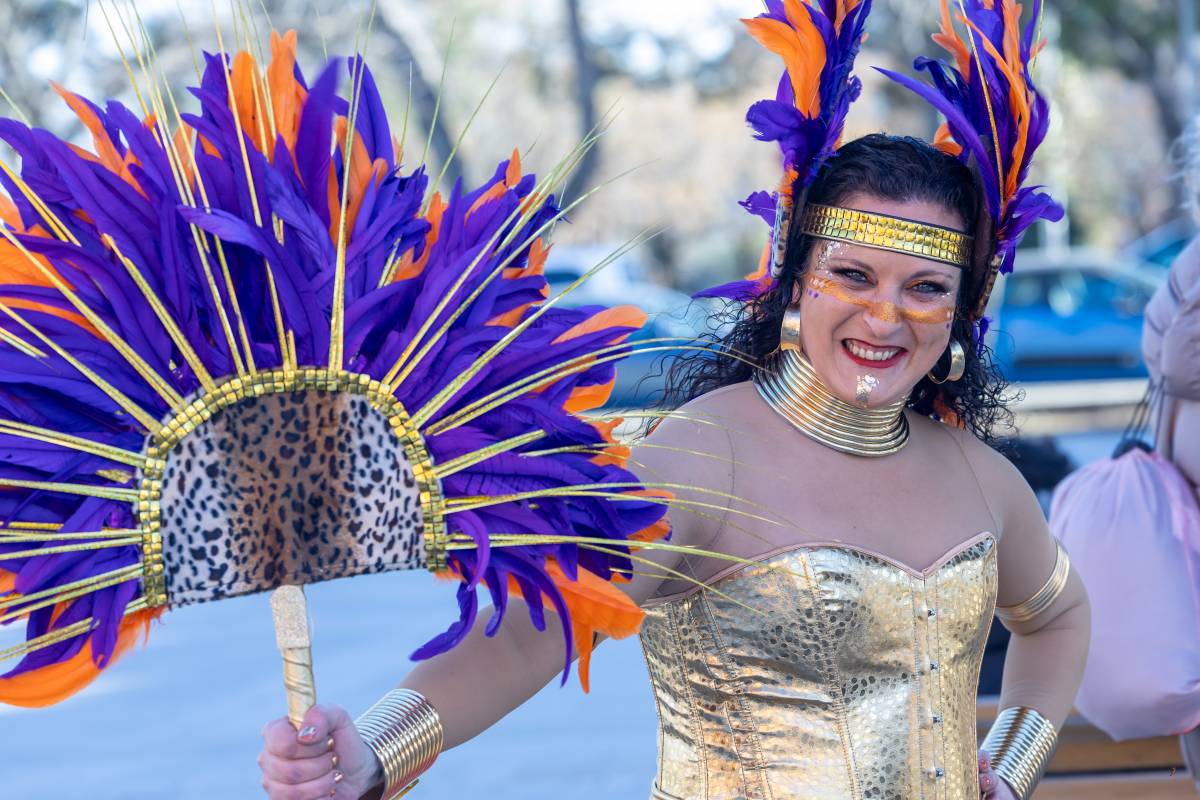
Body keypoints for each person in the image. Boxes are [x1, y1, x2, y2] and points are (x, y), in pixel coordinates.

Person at [257, 2, 1090, 799]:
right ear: (796, 277)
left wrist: (1010, 763)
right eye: (853, 275)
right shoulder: (703, 456)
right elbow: (537, 628)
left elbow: (1059, 617)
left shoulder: (980, 478)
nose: (885, 316)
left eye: (925, 288)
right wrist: (373, 751)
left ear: (961, 310)